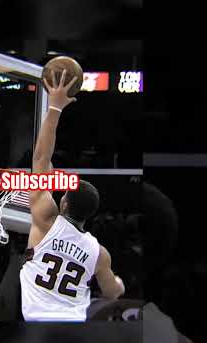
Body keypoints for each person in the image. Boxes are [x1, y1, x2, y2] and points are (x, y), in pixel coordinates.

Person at [19, 69, 125, 322]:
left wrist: (55, 107)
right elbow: (112, 293)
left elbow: (40, 158)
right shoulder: (99, 253)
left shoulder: (46, 219)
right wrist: (119, 284)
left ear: (64, 201)